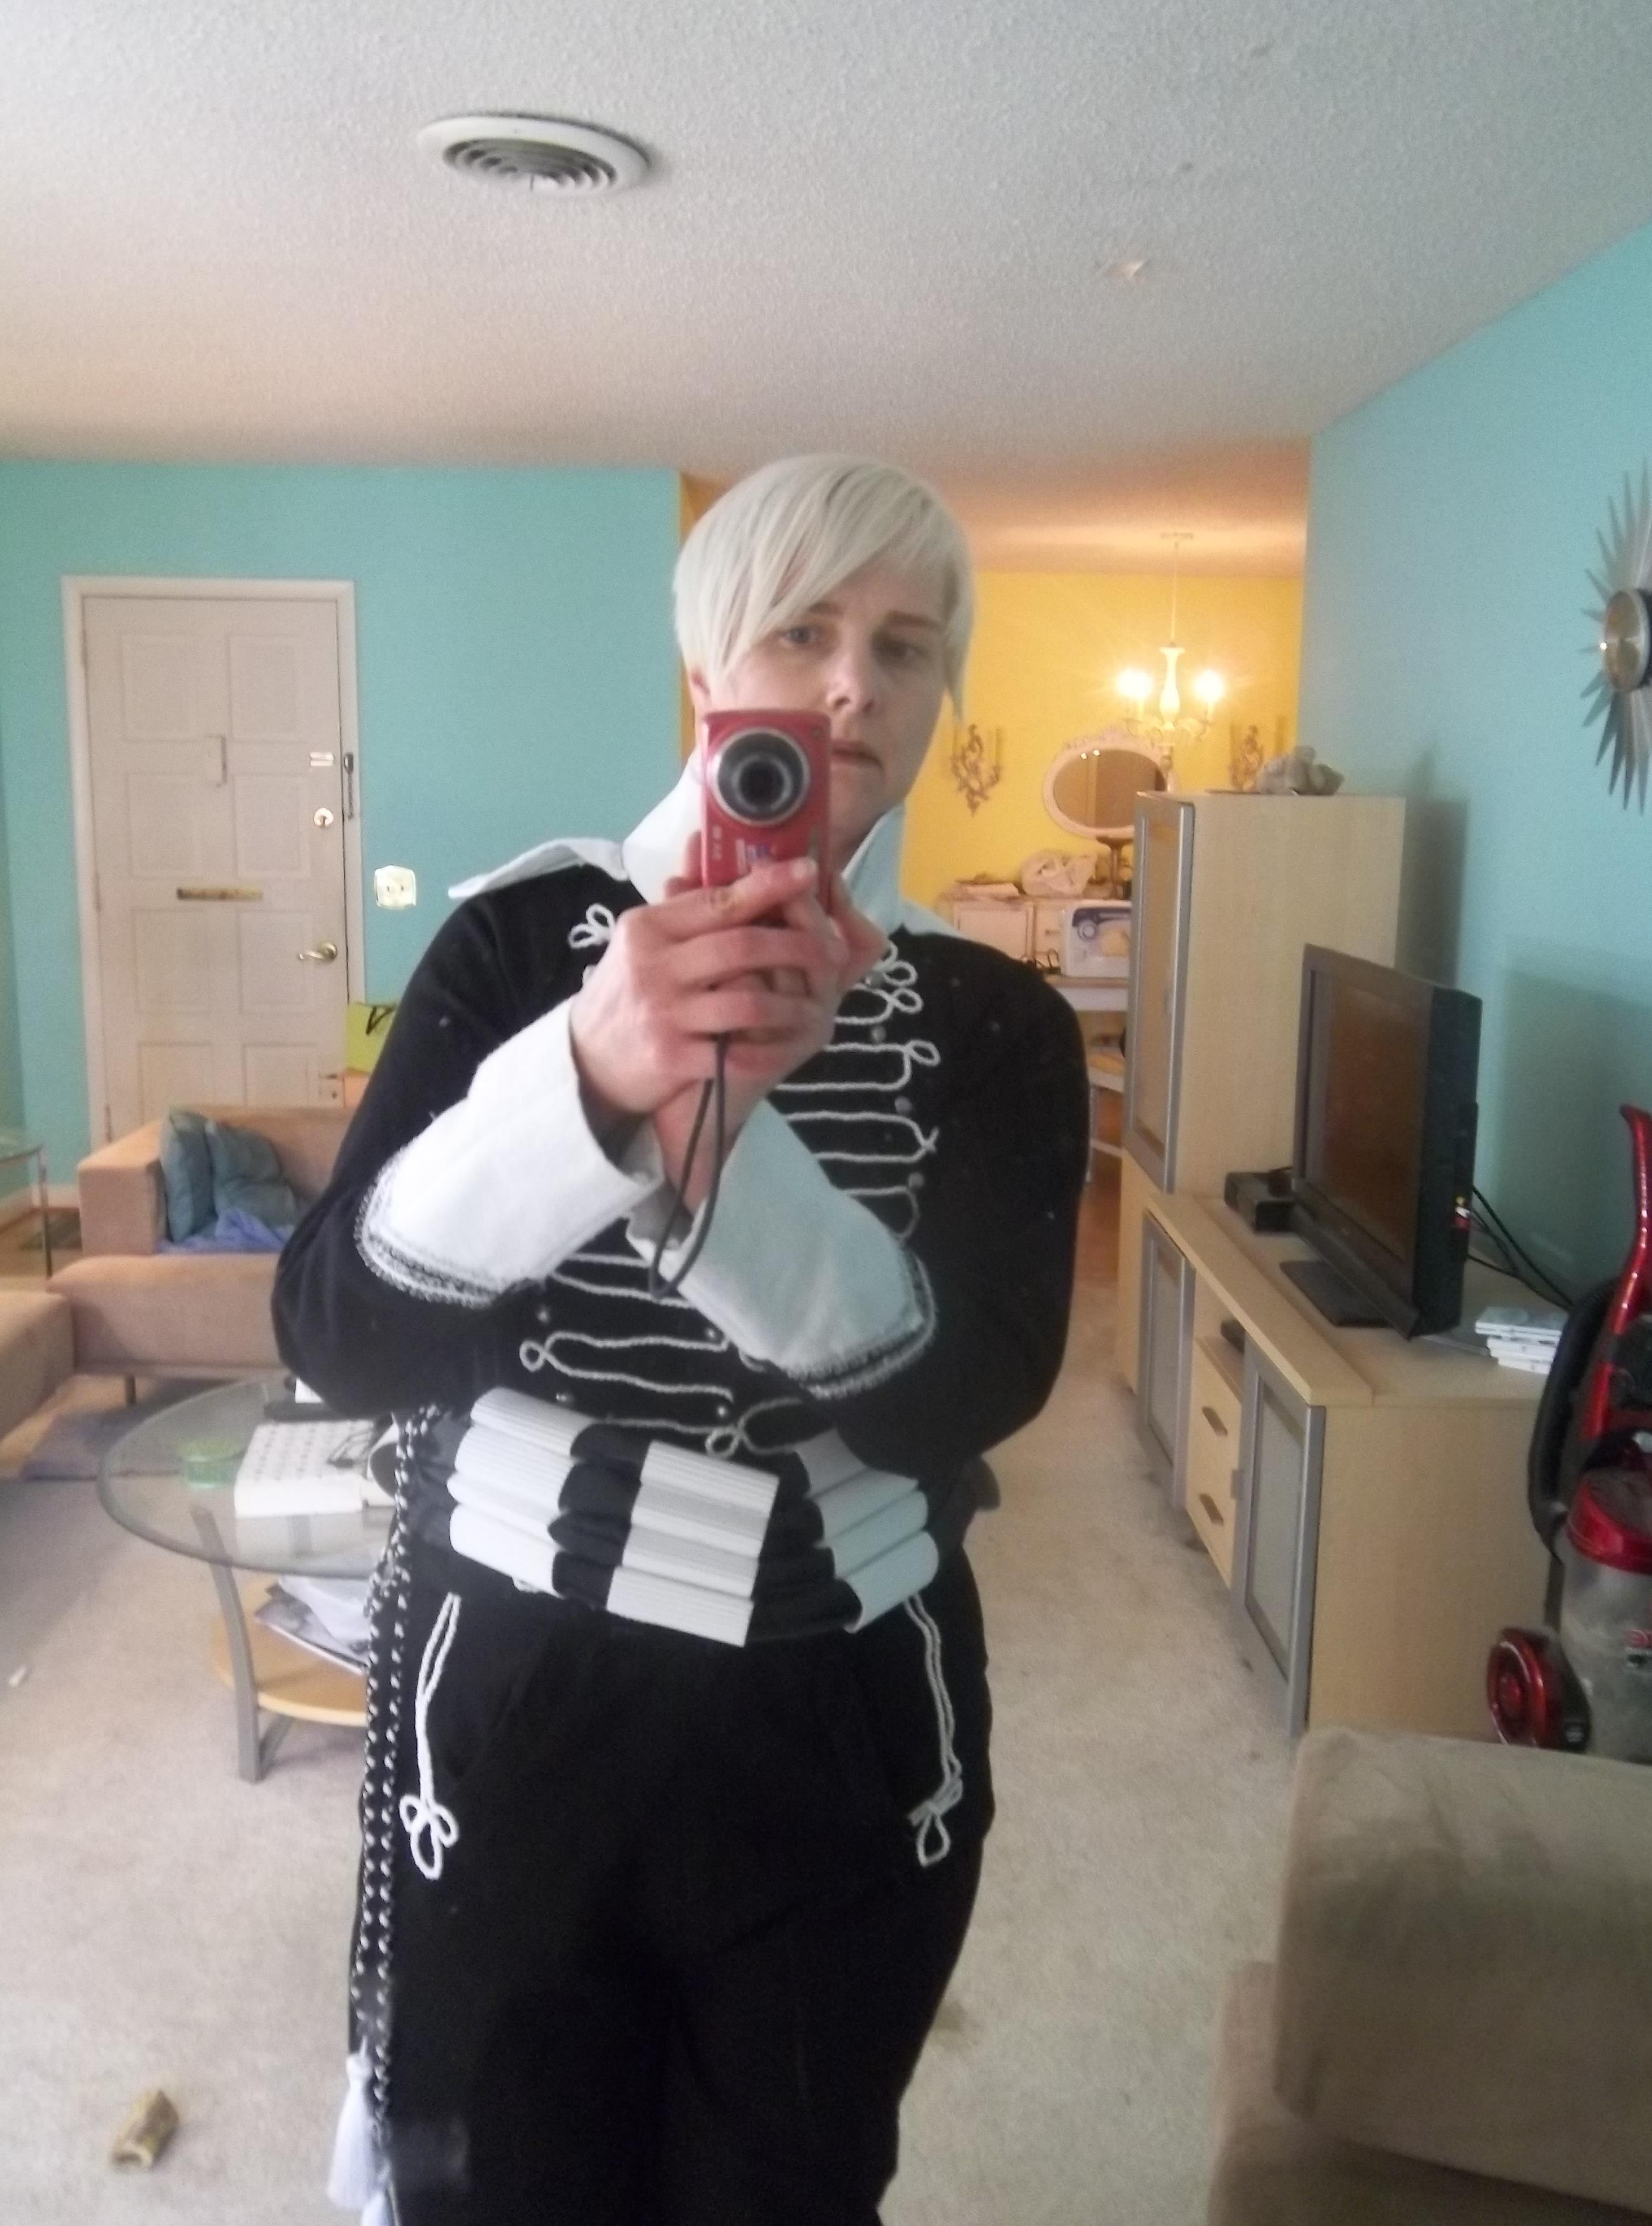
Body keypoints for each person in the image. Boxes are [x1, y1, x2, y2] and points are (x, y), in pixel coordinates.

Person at [275, 454, 1089, 2226]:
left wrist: (727, 1170)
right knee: (502, 2185)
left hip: (848, 1707)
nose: (854, 686)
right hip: (516, 1685)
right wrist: (585, 1077)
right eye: (803, 632)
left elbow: (973, 1393)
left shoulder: (996, 1020)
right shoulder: (516, 945)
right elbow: (342, 1334)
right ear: (711, 667)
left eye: (906, 647)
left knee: (792, 2184)